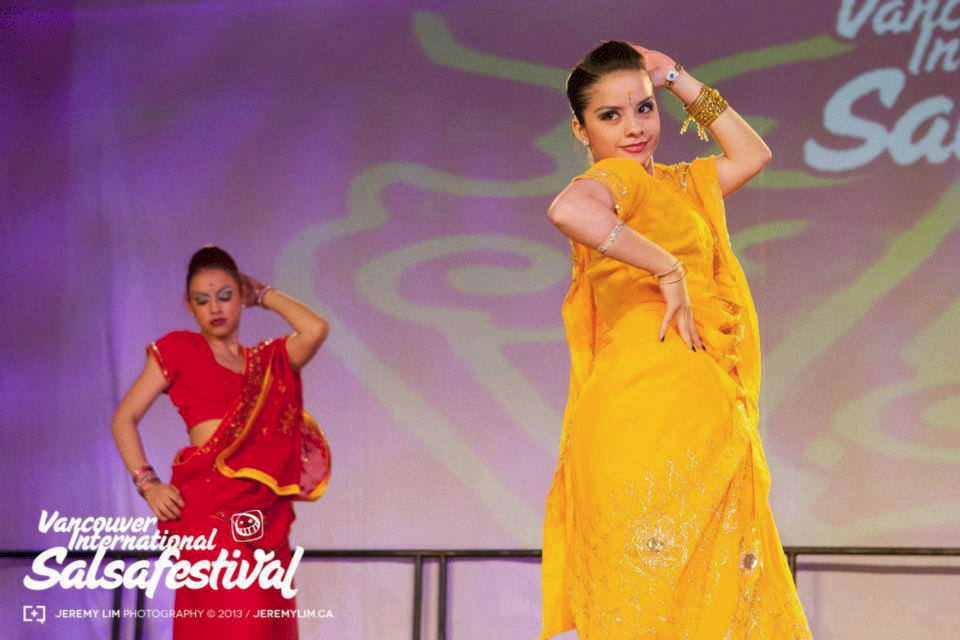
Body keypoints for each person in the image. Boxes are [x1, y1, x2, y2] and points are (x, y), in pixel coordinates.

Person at [540, 41, 812, 638]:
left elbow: (752, 153)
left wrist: (674, 77)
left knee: (697, 600)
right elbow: (569, 209)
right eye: (610, 115)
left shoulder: (678, 185)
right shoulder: (615, 179)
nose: (634, 128)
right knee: (657, 601)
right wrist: (667, 267)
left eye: (644, 108)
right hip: (647, 409)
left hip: (693, 403)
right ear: (581, 130)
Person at [111, 245, 331, 639]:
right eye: (202, 300)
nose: (215, 308)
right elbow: (124, 418)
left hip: (264, 517)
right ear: (190, 307)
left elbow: (315, 329)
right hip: (210, 516)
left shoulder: (266, 364)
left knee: (267, 627)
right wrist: (148, 483)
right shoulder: (179, 349)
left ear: (241, 297)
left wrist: (263, 294)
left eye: (226, 296)